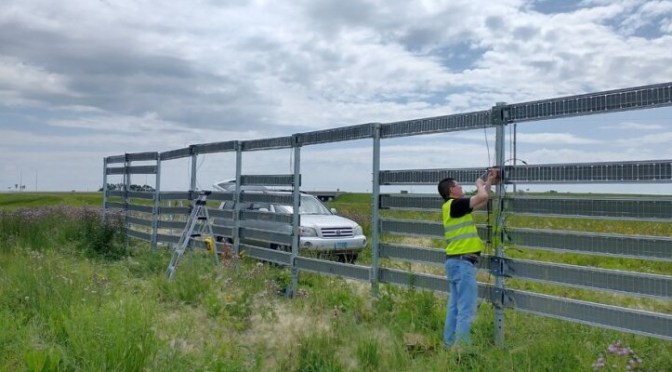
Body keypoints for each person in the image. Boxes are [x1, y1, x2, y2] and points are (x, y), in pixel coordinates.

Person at [437, 168, 499, 350]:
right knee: (466, 308)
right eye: (458, 185)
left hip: (455, 262)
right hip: (463, 264)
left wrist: (488, 182)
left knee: (455, 307)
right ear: (452, 191)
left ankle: (449, 344)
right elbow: (482, 198)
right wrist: (479, 185)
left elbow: (480, 198)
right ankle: (462, 350)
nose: (461, 187)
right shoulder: (455, 205)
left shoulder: (454, 208)